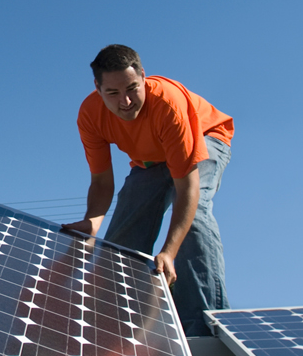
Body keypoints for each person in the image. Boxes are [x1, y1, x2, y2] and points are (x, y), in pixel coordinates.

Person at [64, 44, 234, 336]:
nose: (126, 101)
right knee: (125, 232)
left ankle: (204, 326)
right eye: (113, 94)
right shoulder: (90, 115)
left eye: (132, 88)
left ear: (143, 76)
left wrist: (168, 252)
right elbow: (103, 183)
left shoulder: (168, 106)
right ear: (98, 88)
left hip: (205, 138)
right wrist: (92, 224)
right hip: (150, 160)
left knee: (193, 220)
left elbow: (187, 188)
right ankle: (113, 321)